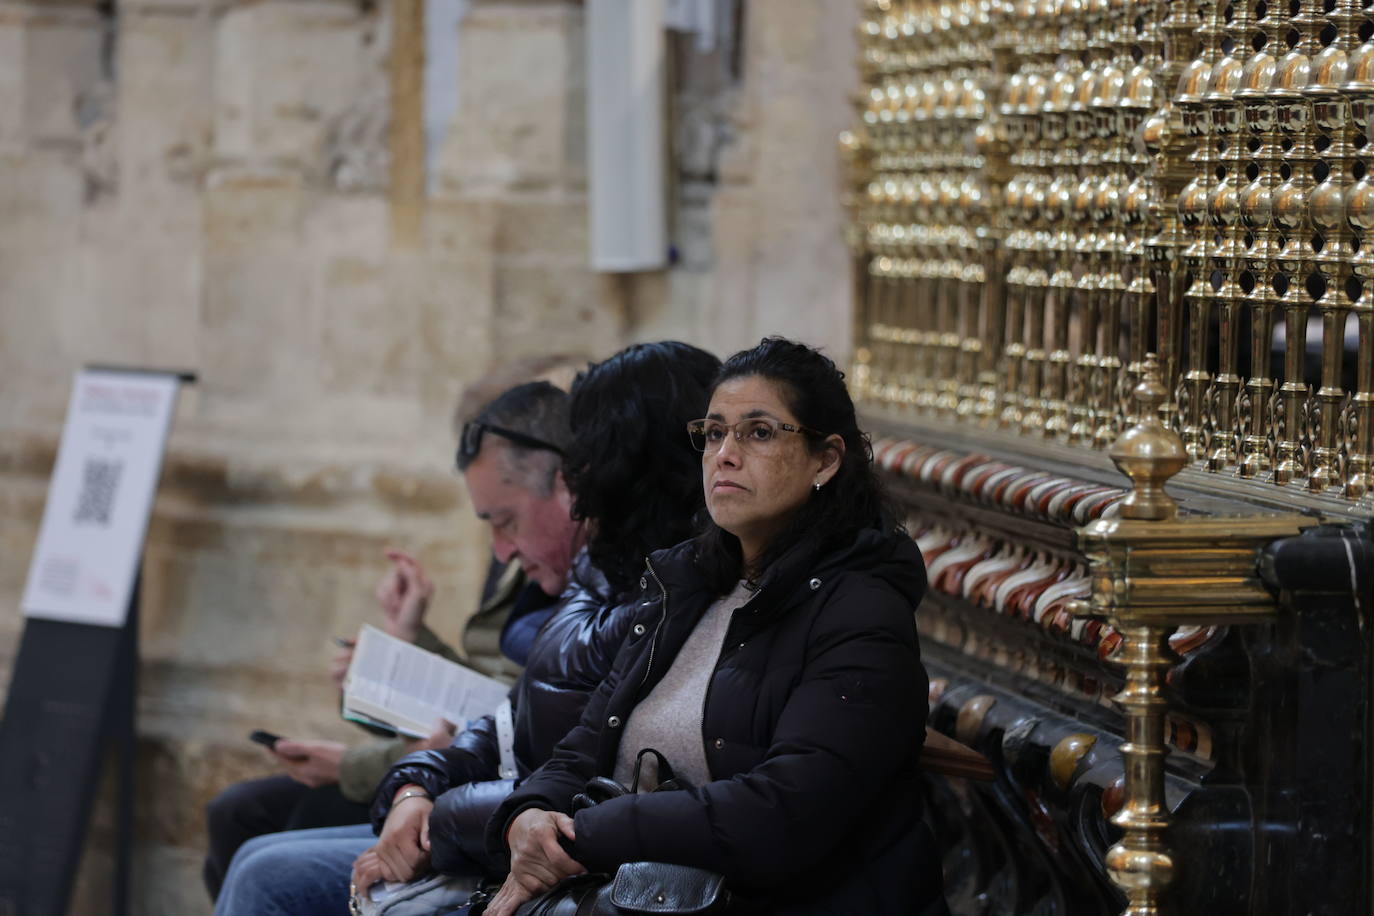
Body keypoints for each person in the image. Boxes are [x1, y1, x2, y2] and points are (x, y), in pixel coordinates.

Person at [215, 342, 721, 915]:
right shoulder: (599, 573)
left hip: (536, 851)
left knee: (270, 867)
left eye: (582, 465)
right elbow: (513, 713)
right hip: (485, 805)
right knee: (256, 835)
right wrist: (415, 785)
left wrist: (429, 799)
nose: (501, 550)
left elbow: (585, 774)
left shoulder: (667, 595)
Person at [482, 338, 947, 916]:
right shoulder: (687, 586)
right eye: (714, 433)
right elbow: (584, 744)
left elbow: (780, 815)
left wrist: (584, 834)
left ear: (826, 459)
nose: (725, 453)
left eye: (759, 432)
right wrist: (528, 816)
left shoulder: (860, 612)